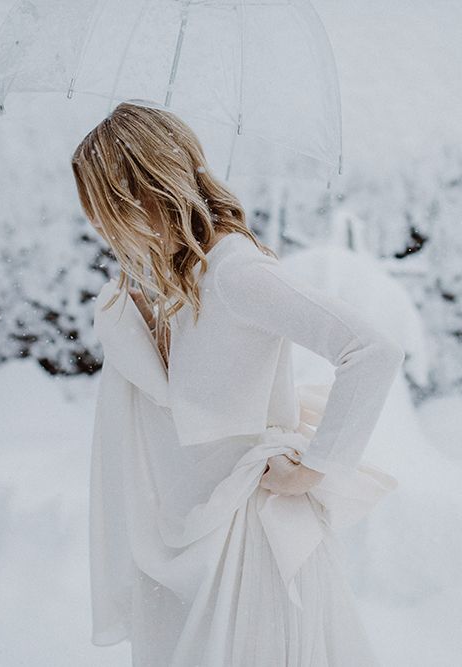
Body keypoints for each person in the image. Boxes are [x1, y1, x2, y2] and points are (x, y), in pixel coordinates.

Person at [71, 100, 405, 666]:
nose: (100, 228)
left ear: (147, 192)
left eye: (106, 208)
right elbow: (192, 401)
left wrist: (314, 469)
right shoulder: (181, 279)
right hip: (189, 529)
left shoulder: (236, 272)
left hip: (246, 542)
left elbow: (371, 348)